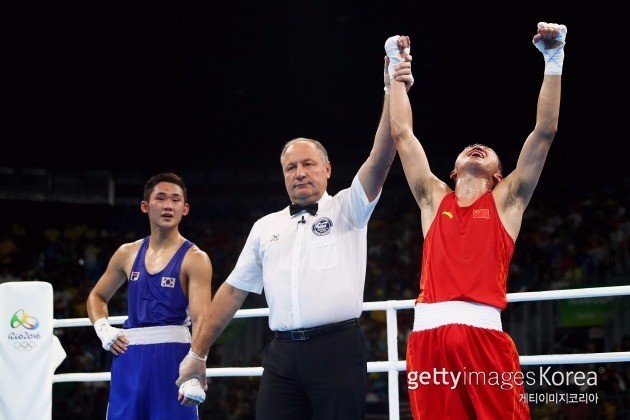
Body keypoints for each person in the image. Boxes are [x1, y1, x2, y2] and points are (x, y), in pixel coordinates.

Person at [174, 38, 415, 419]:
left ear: (327, 169)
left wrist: (391, 86)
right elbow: (232, 292)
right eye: (291, 167)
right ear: (283, 176)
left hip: (337, 350)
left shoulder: (348, 207)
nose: (300, 172)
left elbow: (382, 157)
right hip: (282, 355)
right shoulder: (265, 227)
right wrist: (196, 354)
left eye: (308, 164)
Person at [388, 22, 567, 419]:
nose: (478, 146)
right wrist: (395, 71)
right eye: (470, 148)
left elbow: (545, 132)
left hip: (485, 337)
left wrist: (553, 59)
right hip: (429, 339)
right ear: (452, 170)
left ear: (499, 176)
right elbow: (401, 134)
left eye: (487, 151)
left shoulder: (508, 202)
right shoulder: (433, 198)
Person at [86, 171, 213, 419]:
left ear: (185, 209)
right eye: (161, 198)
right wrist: (103, 328)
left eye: (176, 200)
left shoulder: (196, 259)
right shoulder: (126, 253)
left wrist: (198, 365)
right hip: (129, 356)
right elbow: (97, 296)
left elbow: (201, 319)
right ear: (145, 206)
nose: (168, 205)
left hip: (174, 357)